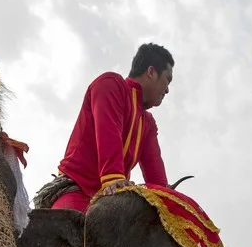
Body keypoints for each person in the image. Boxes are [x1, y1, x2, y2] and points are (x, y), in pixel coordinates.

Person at [32, 44, 173, 212]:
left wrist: (170, 201)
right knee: (80, 233)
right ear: (151, 72)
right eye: (167, 79)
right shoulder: (111, 84)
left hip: (111, 203)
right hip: (77, 191)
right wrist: (113, 178)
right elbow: (108, 133)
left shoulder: (148, 123)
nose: (168, 90)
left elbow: (156, 177)